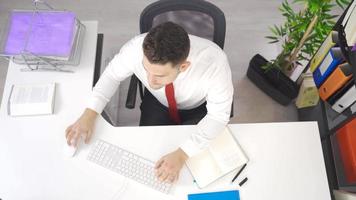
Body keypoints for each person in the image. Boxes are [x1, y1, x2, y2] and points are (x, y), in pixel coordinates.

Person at [65, 22, 233, 184]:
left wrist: (182, 154)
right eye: (146, 69)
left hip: (197, 108)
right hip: (157, 102)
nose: (150, 81)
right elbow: (111, 76)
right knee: (150, 155)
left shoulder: (214, 63)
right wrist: (89, 114)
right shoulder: (135, 49)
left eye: (160, 75)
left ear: (183, 67)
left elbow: (218, 117)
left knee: (191, 168)